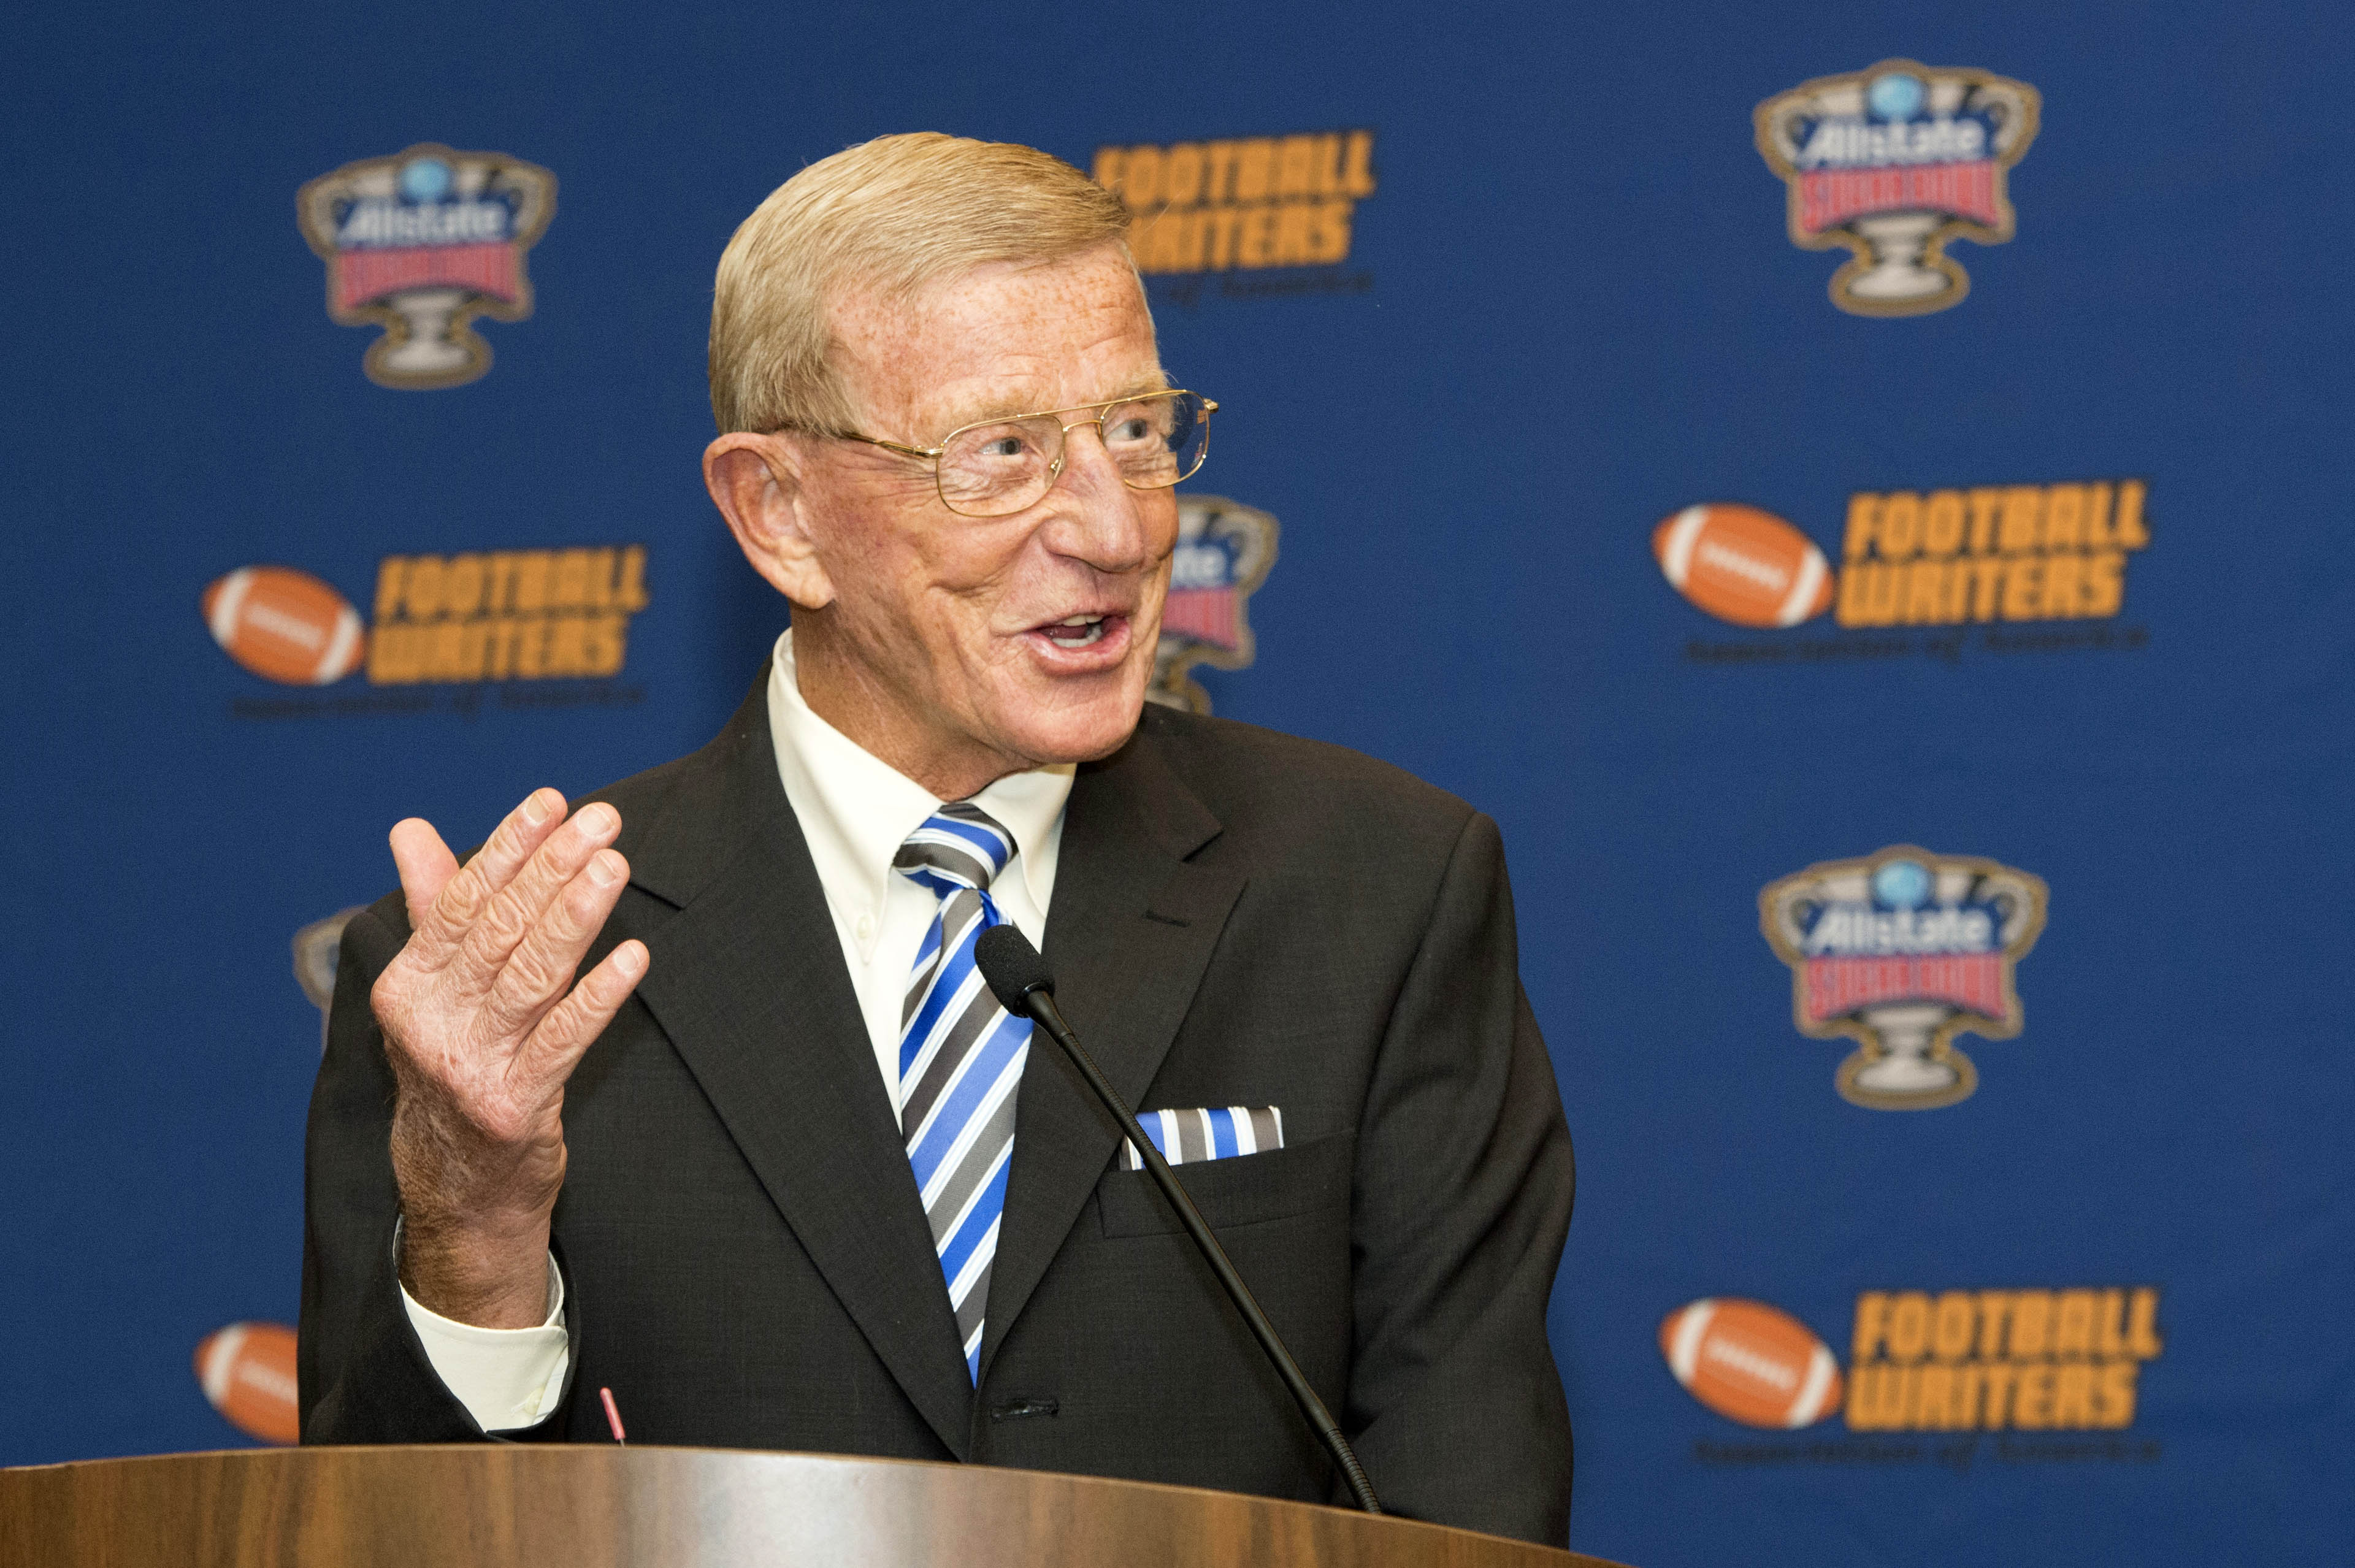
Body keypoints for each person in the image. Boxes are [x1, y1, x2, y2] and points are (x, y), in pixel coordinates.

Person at [300, 132, 1576, 1544]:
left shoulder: (1379, 893)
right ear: (779, 514)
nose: (1113, 526)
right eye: (1003, 452)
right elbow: (383, 1534)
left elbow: (1472, 1501)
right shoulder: (511, 988)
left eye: (1139, 429)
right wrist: (474, 1239)